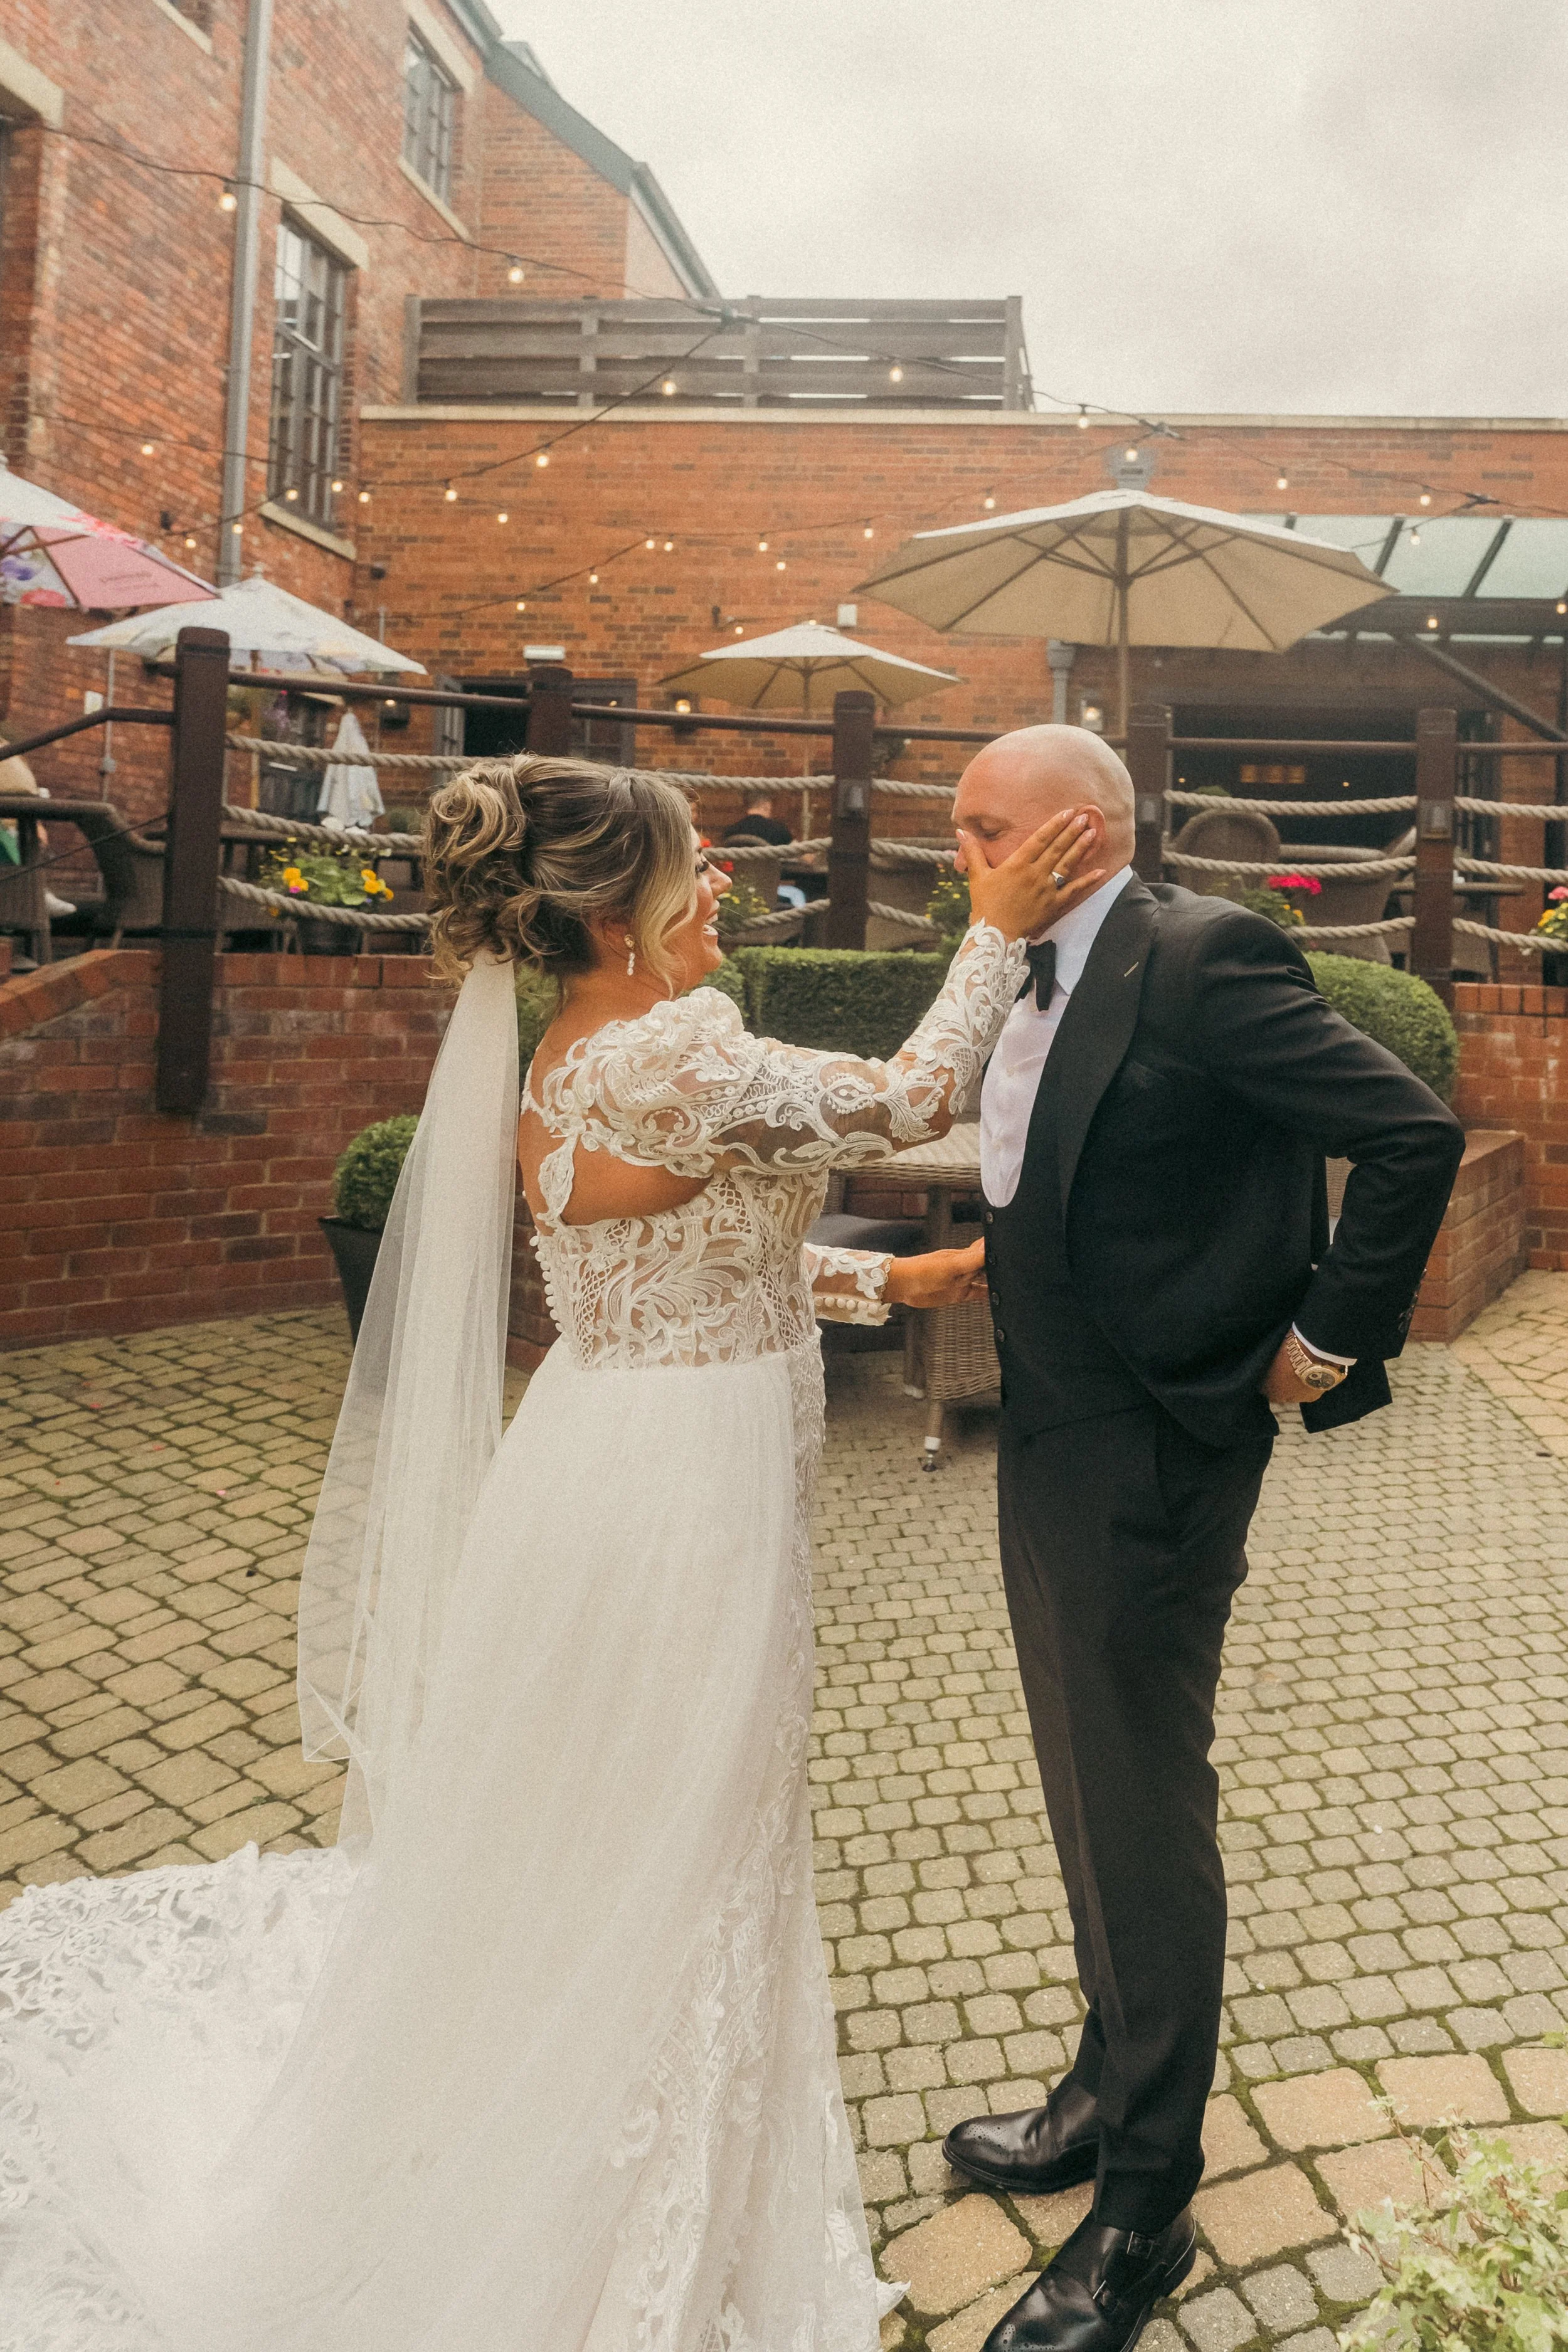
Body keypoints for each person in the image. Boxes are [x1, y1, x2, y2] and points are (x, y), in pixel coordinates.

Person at [0, 753, 1103, 2349]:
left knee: (620, 1821)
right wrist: (995, 925)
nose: (718, 875)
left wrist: (881, 1290)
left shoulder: (587, 1057)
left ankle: (648, 2176)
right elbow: (917, 1096)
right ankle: (611, 2235)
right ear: (610, 909)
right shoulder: (667, 1052)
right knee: (690, 1833)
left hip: (604, 1454)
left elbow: (667, 1270)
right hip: (682, 1499)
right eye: (690, 861)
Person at [938, 726, 1465, 2352]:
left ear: (1075, 836)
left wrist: (1326, 1335)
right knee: (1078, 1779)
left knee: (1143, 1805)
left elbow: (1406, 1133)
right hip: (1049, 1429)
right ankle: (1104, 2083)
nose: (956, 852)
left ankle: (1147, 2196)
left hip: (1160, 1445)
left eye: (978, 828)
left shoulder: (1200, 958)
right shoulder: (1025, 964)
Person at [721, 785, 793, 847]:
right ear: (767, 805)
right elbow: (800, 854)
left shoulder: (730, 832)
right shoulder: (779, 831)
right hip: (768, 864)